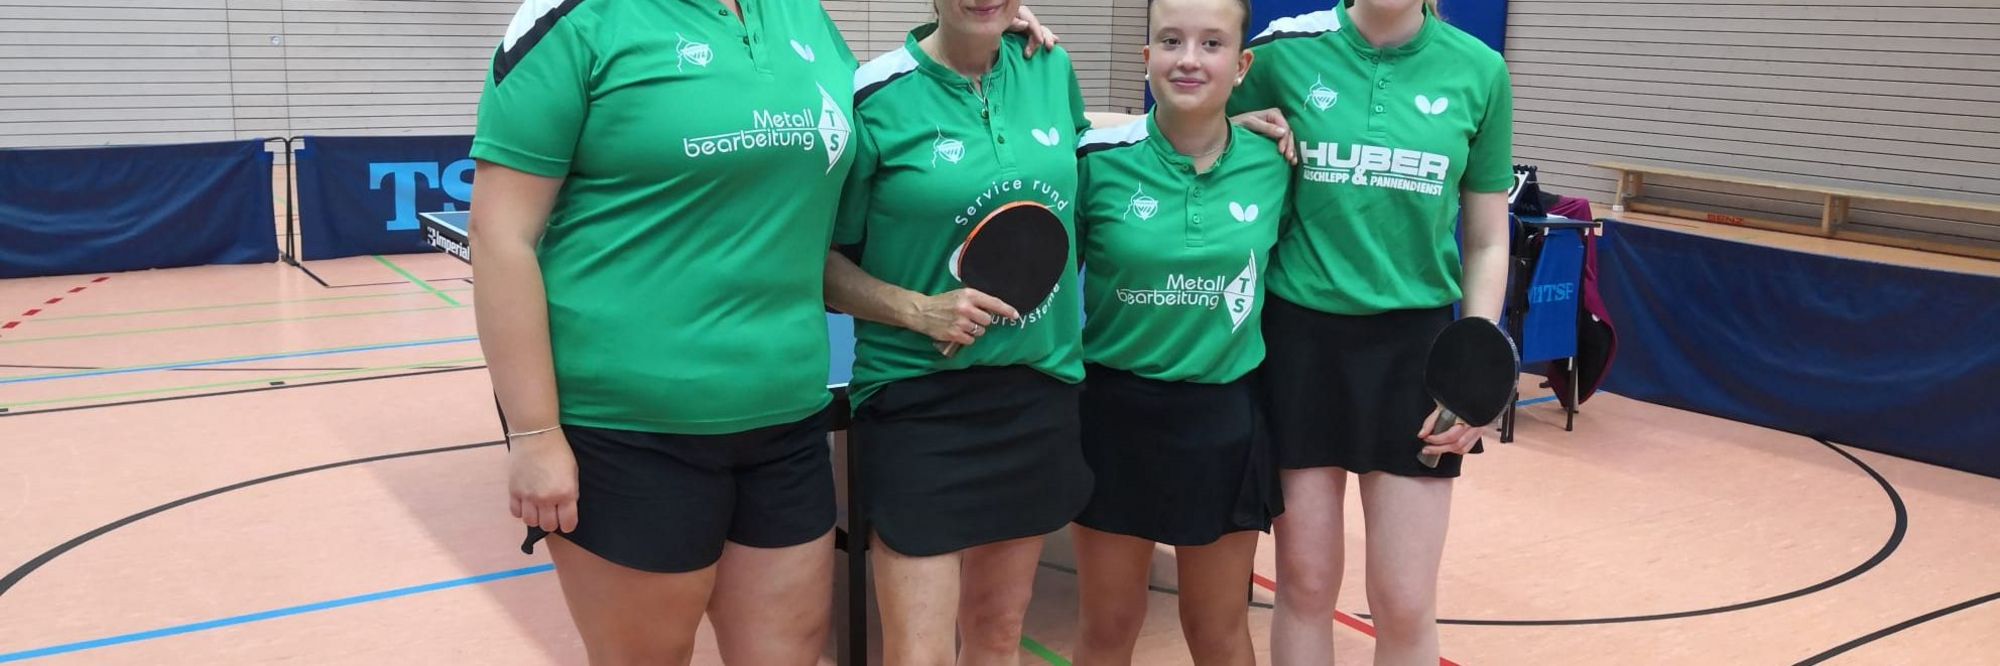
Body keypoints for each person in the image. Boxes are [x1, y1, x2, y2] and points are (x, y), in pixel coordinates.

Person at [467, 1, 1055, 663]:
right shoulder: (578, 20)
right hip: (631, 428)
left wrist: (978, 27)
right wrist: (535, 433)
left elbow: (892, 117)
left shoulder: (802, 16)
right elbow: (499, 235)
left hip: (786, 421)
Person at [1228, 0, 1516, 663]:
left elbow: (1486, 240)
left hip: (1416, 358)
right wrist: (1231, 128)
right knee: (1305, 585)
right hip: (1300, 346)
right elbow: (1187, 137)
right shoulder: (1279, 52)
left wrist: (1475, 373)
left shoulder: (1480, 71)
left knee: (1405, 599)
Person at [822, 0, 1095, 662]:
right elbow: (817, 265)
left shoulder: (1050, 68)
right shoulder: (872, 96)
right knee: (919, 652)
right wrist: (920, 310)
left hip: (1036, 389)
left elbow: (1096, 188)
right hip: (918, 399)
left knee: (998, 633)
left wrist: (1233, 124)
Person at [1066, 0, 1292, 663]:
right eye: (1171, 41)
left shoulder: (1277, 162)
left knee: (1218, 631)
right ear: (1147, 58)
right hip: (1114, 417)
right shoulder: (1095, 160)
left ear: (1242, 65)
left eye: (1212, 44)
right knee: (1108, 627)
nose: (1189, 59)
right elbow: (1043, 284)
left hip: (1224, 419)